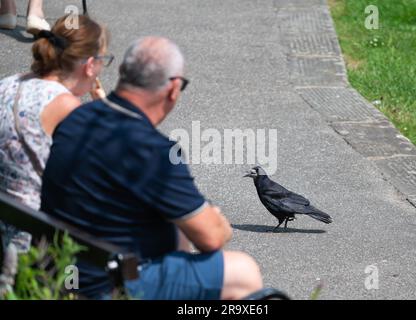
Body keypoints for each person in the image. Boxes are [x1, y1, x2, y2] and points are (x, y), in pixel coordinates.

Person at [40, 36, 263, 300]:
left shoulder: (75, 118)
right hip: (105, 287)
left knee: (177, 223)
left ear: (123, 74)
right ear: (173, 89)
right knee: (242, 272)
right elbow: (212, 237)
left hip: (61, 274)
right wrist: (219, 222)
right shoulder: (155, 151)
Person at [0, 14, 110, 253]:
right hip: (26, 237)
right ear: (90, 66)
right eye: (103, 60)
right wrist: (104, 108)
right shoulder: (65, 106)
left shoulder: (9, 83)